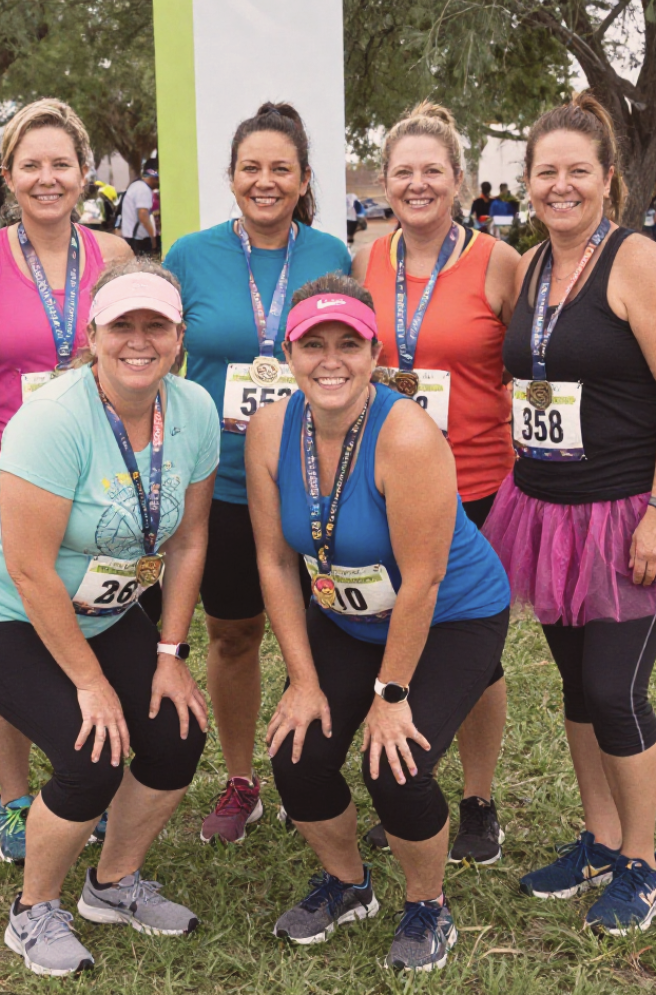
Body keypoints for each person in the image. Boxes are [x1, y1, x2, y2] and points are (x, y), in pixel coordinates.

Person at [482, 92, 656, 936]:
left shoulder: (637, 263)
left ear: (608, 180)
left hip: (631, 508)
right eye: (546, 172)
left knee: (616, 687)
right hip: (547, 509)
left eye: (577, 172)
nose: (561, 186)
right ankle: (598, 841)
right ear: (527, 181)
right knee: (576, 687)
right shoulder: (528, 266)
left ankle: (643, 862)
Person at [0, 261, 218, 977]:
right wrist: (91, 684)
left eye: (155, 325)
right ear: (92, 335)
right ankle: (34, 912)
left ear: (179, 338)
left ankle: (113, 884)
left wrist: (170, 652)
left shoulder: (193, 410)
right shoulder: (55, 418)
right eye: (121, 324)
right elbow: (30, 569)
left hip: (103, 607)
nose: (138, 340)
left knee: (176, 732)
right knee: (91, 752)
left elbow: (188, 539)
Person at [245, 276, 510, 972]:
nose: (331, 360)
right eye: (313, 344)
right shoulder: (272, 429)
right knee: (296, 757)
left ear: (375, 354)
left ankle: (427, 903)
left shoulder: (409, 436)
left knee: (395, 766)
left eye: (348, 344)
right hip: (344, 613)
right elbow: (275, 561)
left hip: (453, 612)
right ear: (289, 353)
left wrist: (389, 697)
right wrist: (303, 680)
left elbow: (422, 579)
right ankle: (348, 882)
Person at [0, 98, 133, 863]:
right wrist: (5, 399)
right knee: (10, 635)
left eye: (62, 164)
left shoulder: (117, 257)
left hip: (100, 485)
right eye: (31, 165)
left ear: (84, 174)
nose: (47, 178)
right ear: (7, 174)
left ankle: (96, 780)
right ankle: (17, 798)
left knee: (94, 620)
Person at [163, 102, 351, 843]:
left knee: (331, 632)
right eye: (251, 168)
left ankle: (317, 774)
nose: (265, 182)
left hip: (318, 482)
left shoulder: (332, 252)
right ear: (231, 177)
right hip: (226, 485)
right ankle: (241, 781)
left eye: (281, 169)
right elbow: (160, 359)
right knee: (234, 633)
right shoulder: (190, 255)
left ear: (304, 179)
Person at [352, 102, 521, 864]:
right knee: (401, 632)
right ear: (385, 182)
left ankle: (478, 798)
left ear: (458, 180)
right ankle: (407, 782)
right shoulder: (368, 257)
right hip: (385, 482)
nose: (417, 184)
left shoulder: (499, 261)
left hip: (479, 482)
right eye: (403, 172)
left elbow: (534, 365)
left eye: (432, 171)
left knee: (477, 652)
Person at [120, 159, 160, 255]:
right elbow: (143, 215)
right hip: (138, 240)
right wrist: (153, 238)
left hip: (130, 237)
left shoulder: (136, 186)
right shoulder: (143, 189)